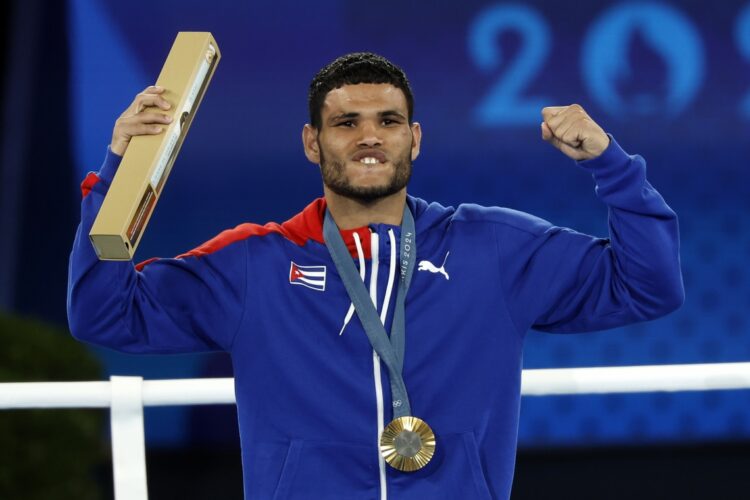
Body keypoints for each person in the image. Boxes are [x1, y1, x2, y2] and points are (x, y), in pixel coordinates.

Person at [68, 52, 684, 499]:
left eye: (388, 122)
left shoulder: (492, 247)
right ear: (312, 143)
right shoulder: (254, 262)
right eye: (347, 123)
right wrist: (121, 171)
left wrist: (612, 165)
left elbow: (648, 284)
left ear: (414, 139)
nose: (369, 138)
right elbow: (103, 312)